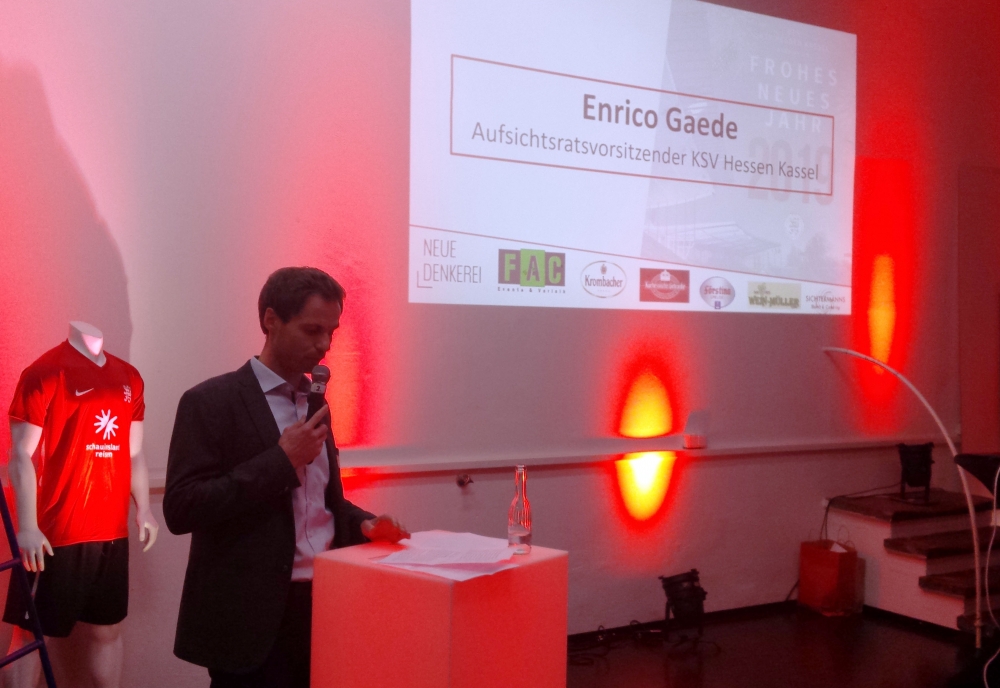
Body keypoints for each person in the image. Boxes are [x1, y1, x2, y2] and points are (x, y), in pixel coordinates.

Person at [163, 267, 408, 688]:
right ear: (271, 320)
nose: (324, 345)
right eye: (312, 330)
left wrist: (363, 524)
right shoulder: (210, 402)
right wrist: (280, 460)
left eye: (331, 332)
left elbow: (319, 503)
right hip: (250, 620)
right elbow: (182, 508)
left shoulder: (316, 404)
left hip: (326, 600)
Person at [2, 321, 158, 688]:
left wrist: (145, 509)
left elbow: (133, 452)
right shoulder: (45, 372)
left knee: (107, 632)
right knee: (30, 635)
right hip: (56, 535)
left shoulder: (129, 377)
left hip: (111, 534)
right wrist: (28, 525)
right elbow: (20, 455)